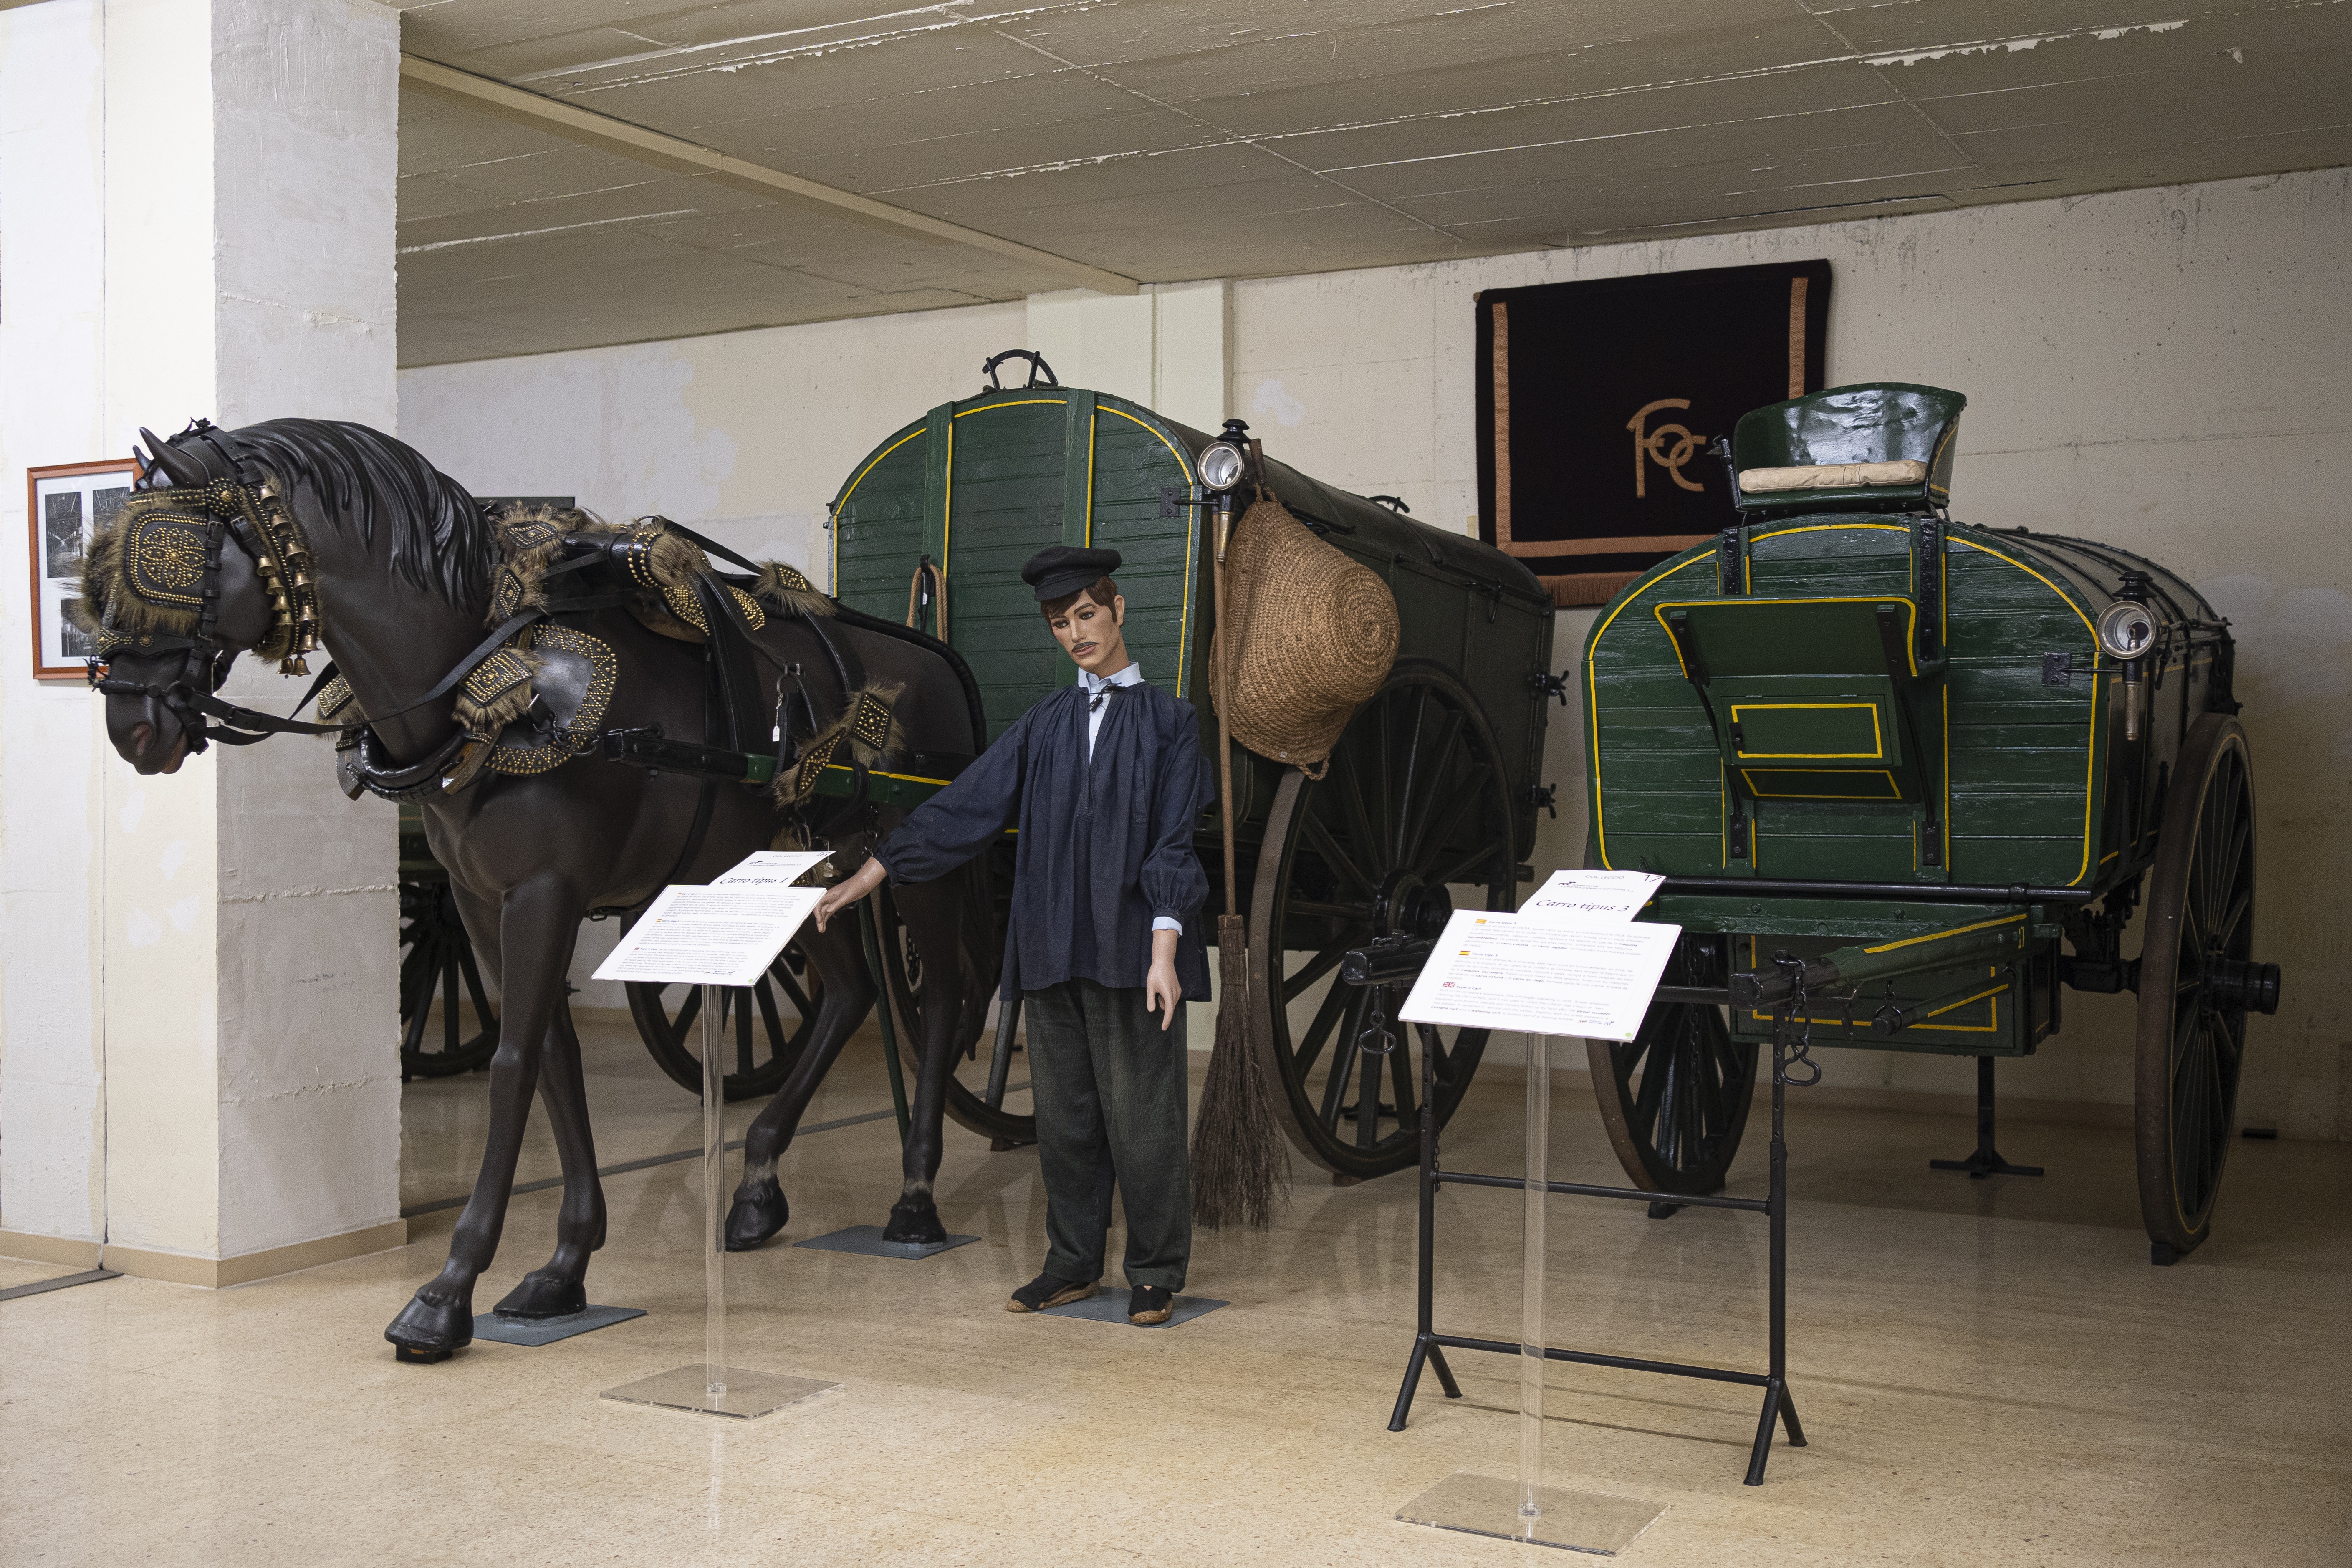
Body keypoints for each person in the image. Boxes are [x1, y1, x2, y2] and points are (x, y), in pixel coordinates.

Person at [813, 545, 1213, 1326]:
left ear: (1119, 610)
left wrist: (1164, 949)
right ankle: (1070, 1263)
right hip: (1054, 943)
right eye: (1061, 624)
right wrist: (872, 872)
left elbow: (1174, 841)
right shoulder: (1045, 724)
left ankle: (1156, 1269)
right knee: (1065, 1118)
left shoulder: (1171, 723)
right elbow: (967, 806)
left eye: (1087, 615)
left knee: (1144, 1118)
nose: (1076, 634)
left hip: (1135, 951)